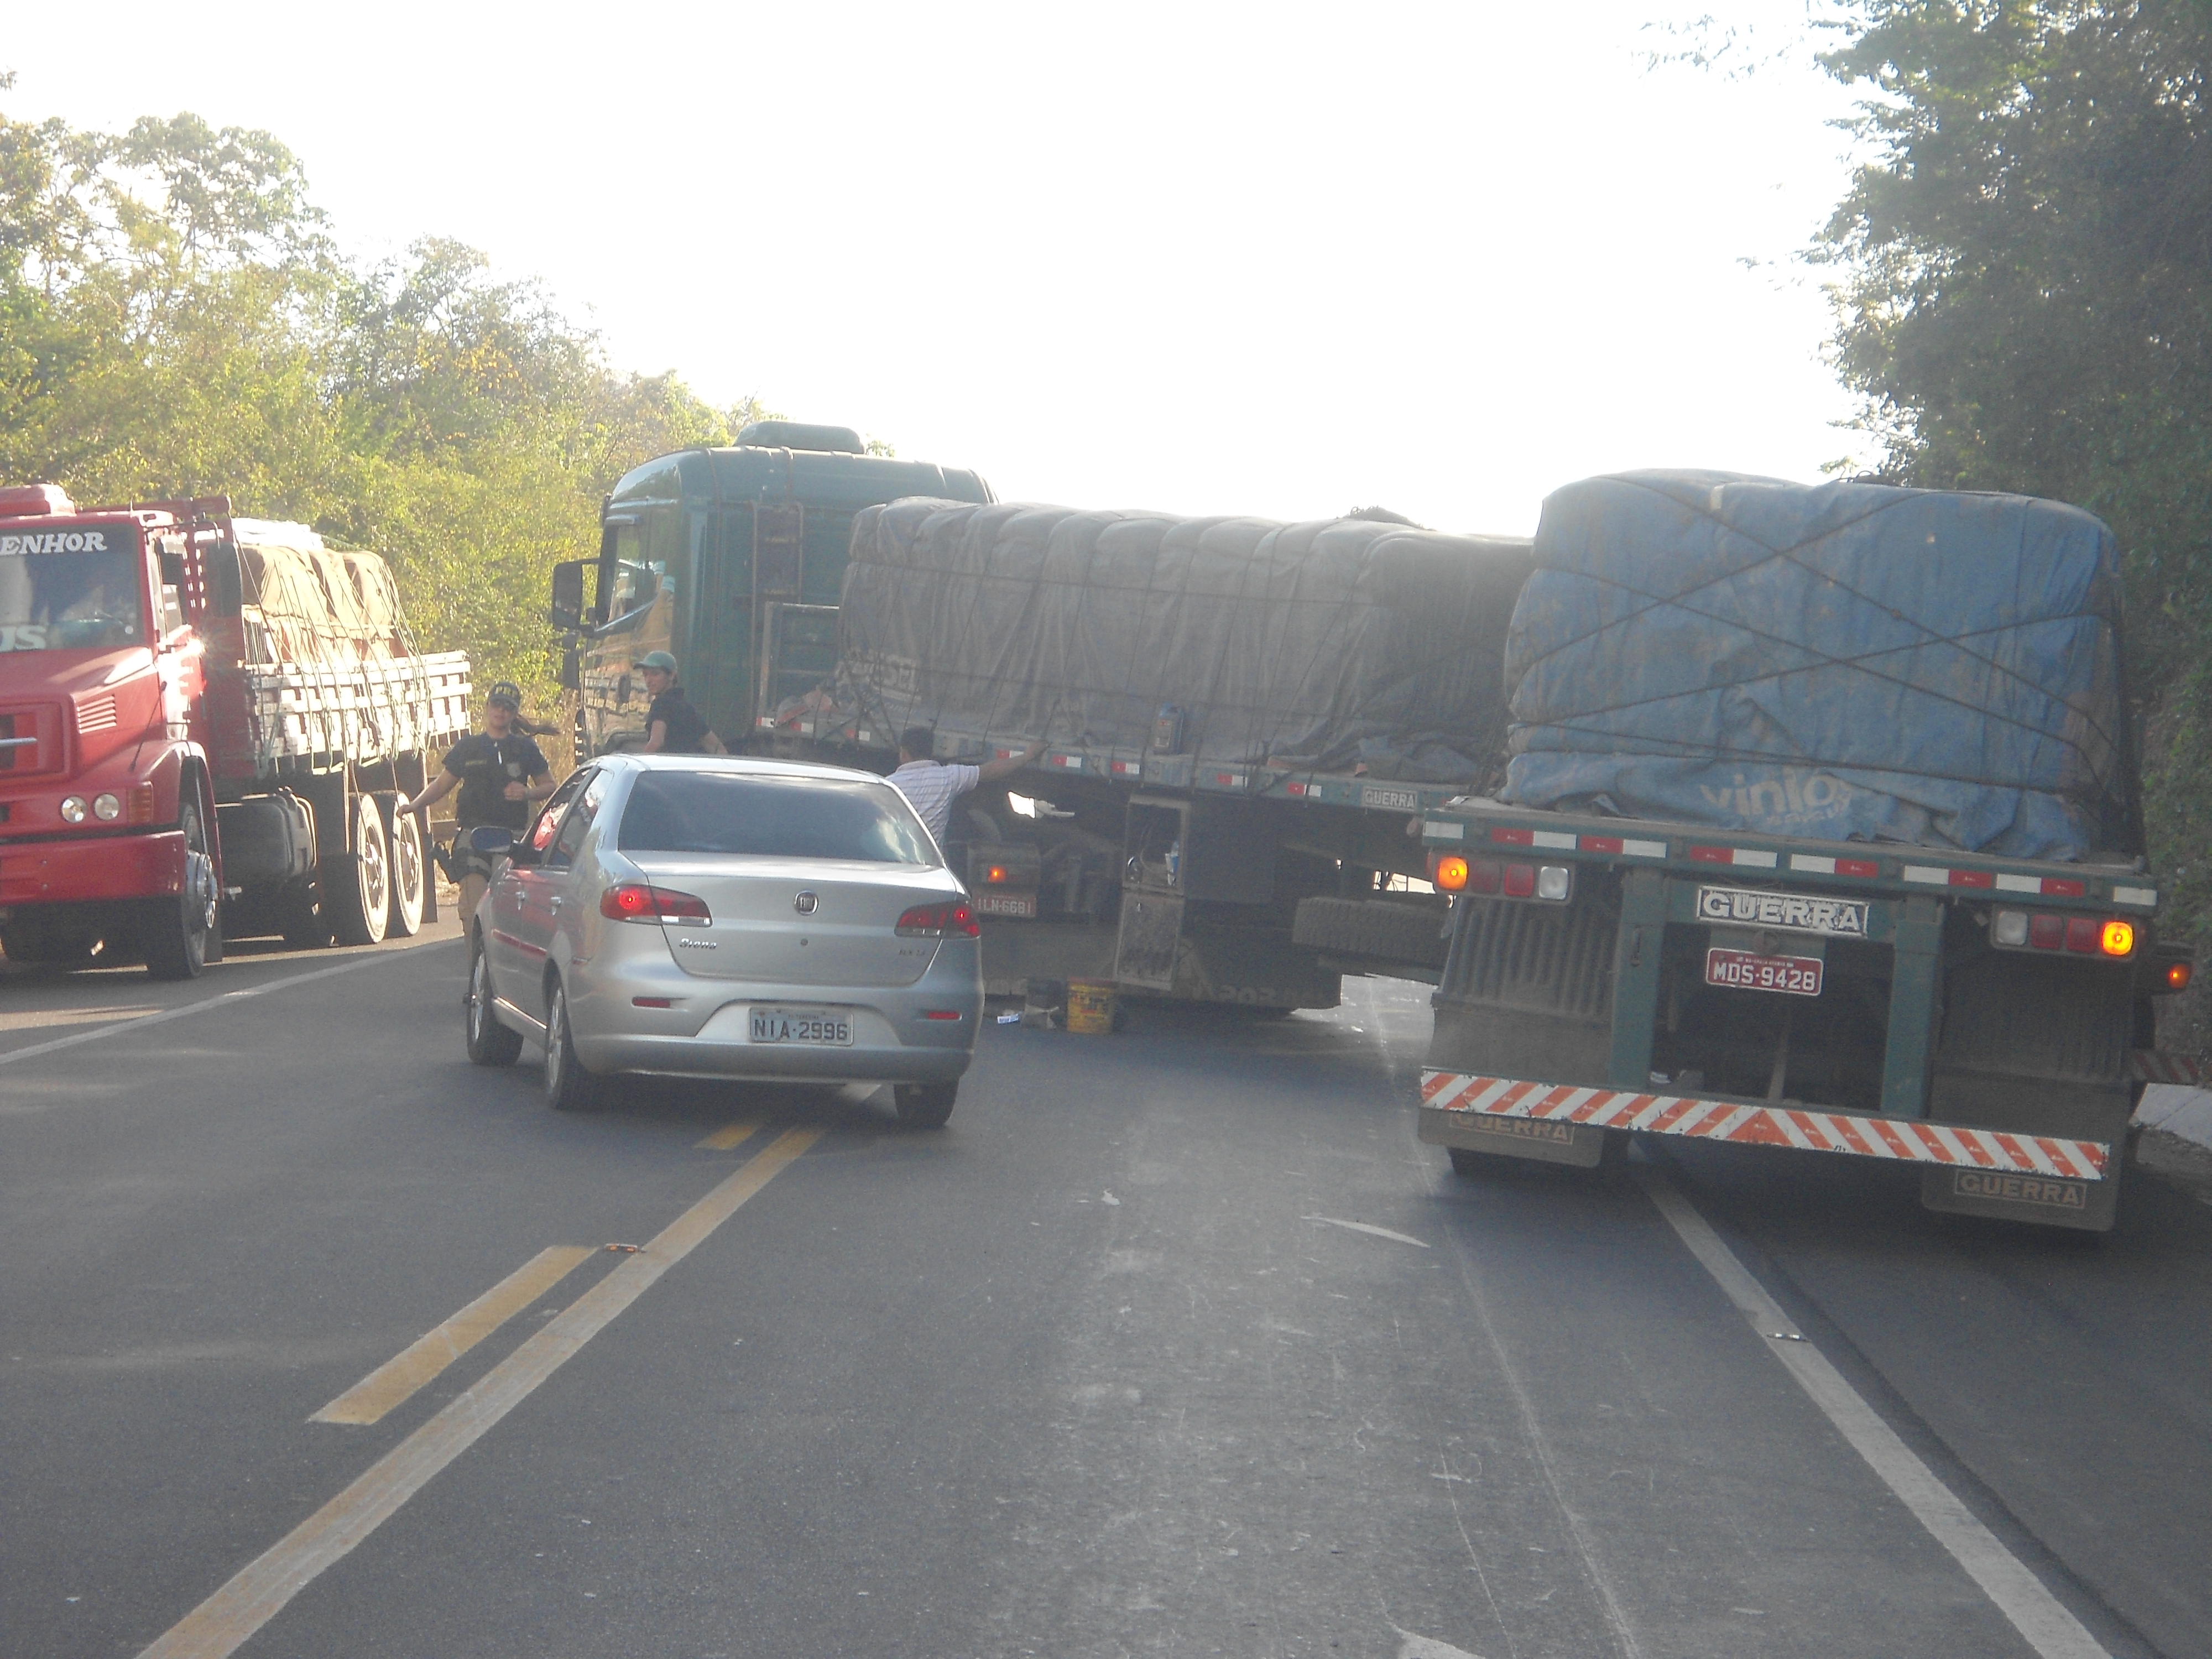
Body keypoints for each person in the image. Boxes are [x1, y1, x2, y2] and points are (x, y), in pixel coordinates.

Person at [398, 682, 557, 923]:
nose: (500, 711)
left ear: (514, 714)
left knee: (508, 909)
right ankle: (477, 959)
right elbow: (442, 785)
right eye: (496, 705)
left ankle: (502, 956)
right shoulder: (468, 747)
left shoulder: (524, 748)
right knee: (473, 909)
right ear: (487, 707)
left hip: (511, 837)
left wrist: (526, 793)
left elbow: (550, 786)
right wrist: (415, 805)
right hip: (473, 836)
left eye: (507, 708)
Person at [889, 725, 1045, 846]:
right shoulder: (948, 777)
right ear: (930, 751)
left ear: (903, 753)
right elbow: (990, 771)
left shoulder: (888, 786)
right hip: (930, 868)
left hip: (896, 864)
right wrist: (1027, 757)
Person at [635, 651, 726, 755]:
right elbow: (720, 750)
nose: (648, 680)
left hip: (665, 768)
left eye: (655, 674)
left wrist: (641, 762)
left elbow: (657, 742)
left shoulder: (661, 704)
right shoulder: (688, 708)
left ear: (672, 676)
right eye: (645, 675)